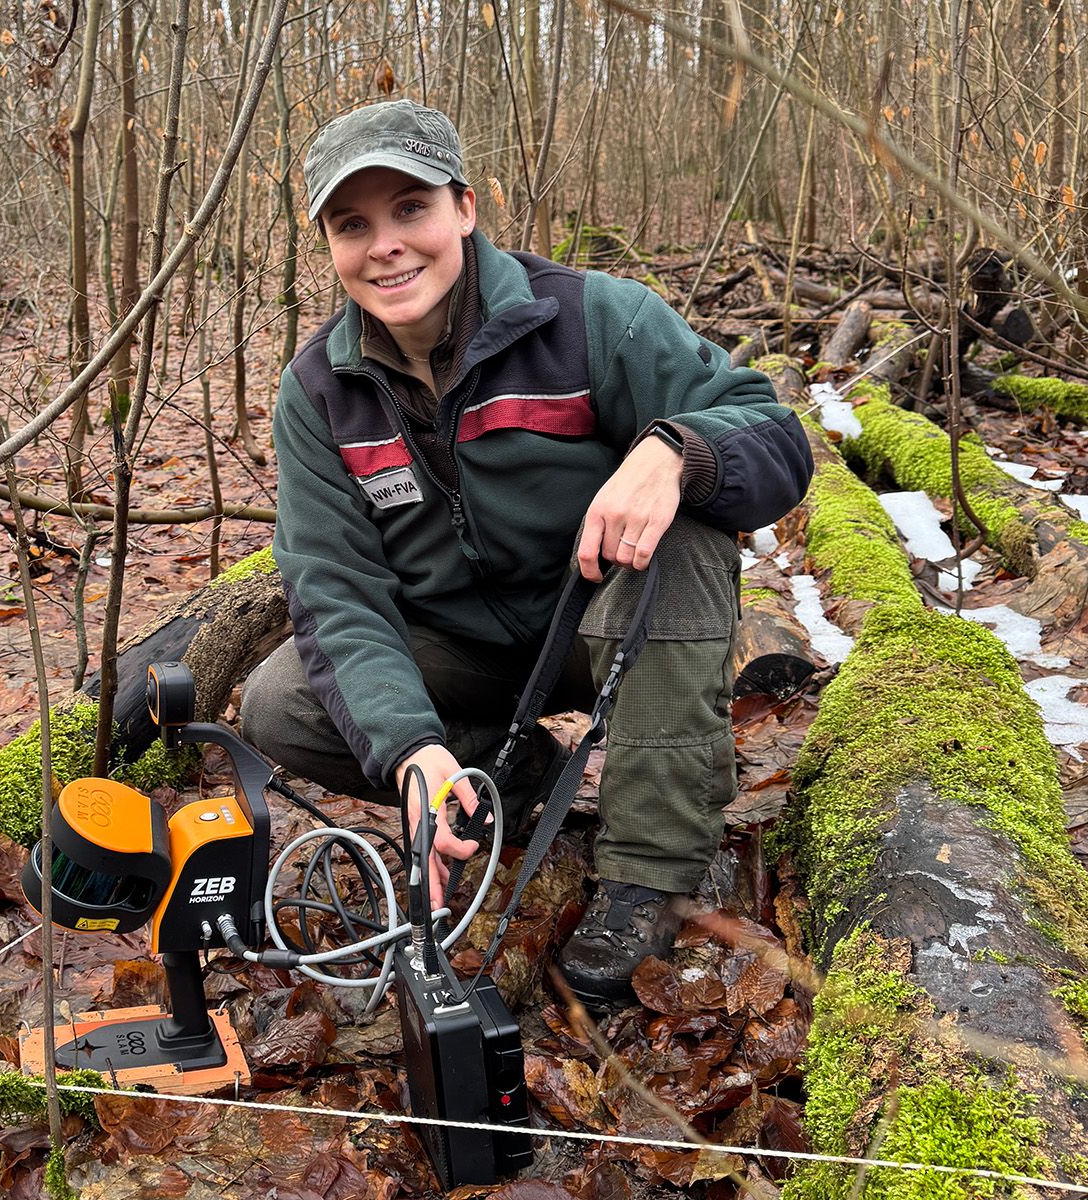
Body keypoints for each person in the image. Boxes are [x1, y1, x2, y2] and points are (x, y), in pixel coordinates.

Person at [240, 99, 813, 1010]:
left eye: (411, 210)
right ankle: (508, 785)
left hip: (606, 628)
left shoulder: (593, 319)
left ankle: (648, 876)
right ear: (329, 246)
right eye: (353, 225)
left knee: (690, 530)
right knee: (282, 703)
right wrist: (413, 753)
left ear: (465, 207)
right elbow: (335, 589)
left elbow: (775, 439)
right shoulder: (318, 393)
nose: (385, 245)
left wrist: (674, 451)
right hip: (463, 654)